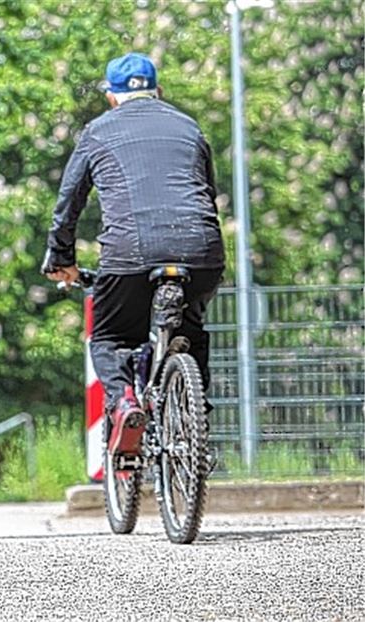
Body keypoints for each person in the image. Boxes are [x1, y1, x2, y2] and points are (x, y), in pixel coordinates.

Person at [41, 52, 225, 459]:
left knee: (110, 336)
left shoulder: (97, 130)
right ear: (158, 92)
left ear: (111, 97)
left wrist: (61, 258)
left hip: (131, 253)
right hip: (202, 251)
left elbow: (68, 202)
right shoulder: (189, 126)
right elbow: (207, 194)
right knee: (189, 332)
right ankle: (198, 428)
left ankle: (125, 401)